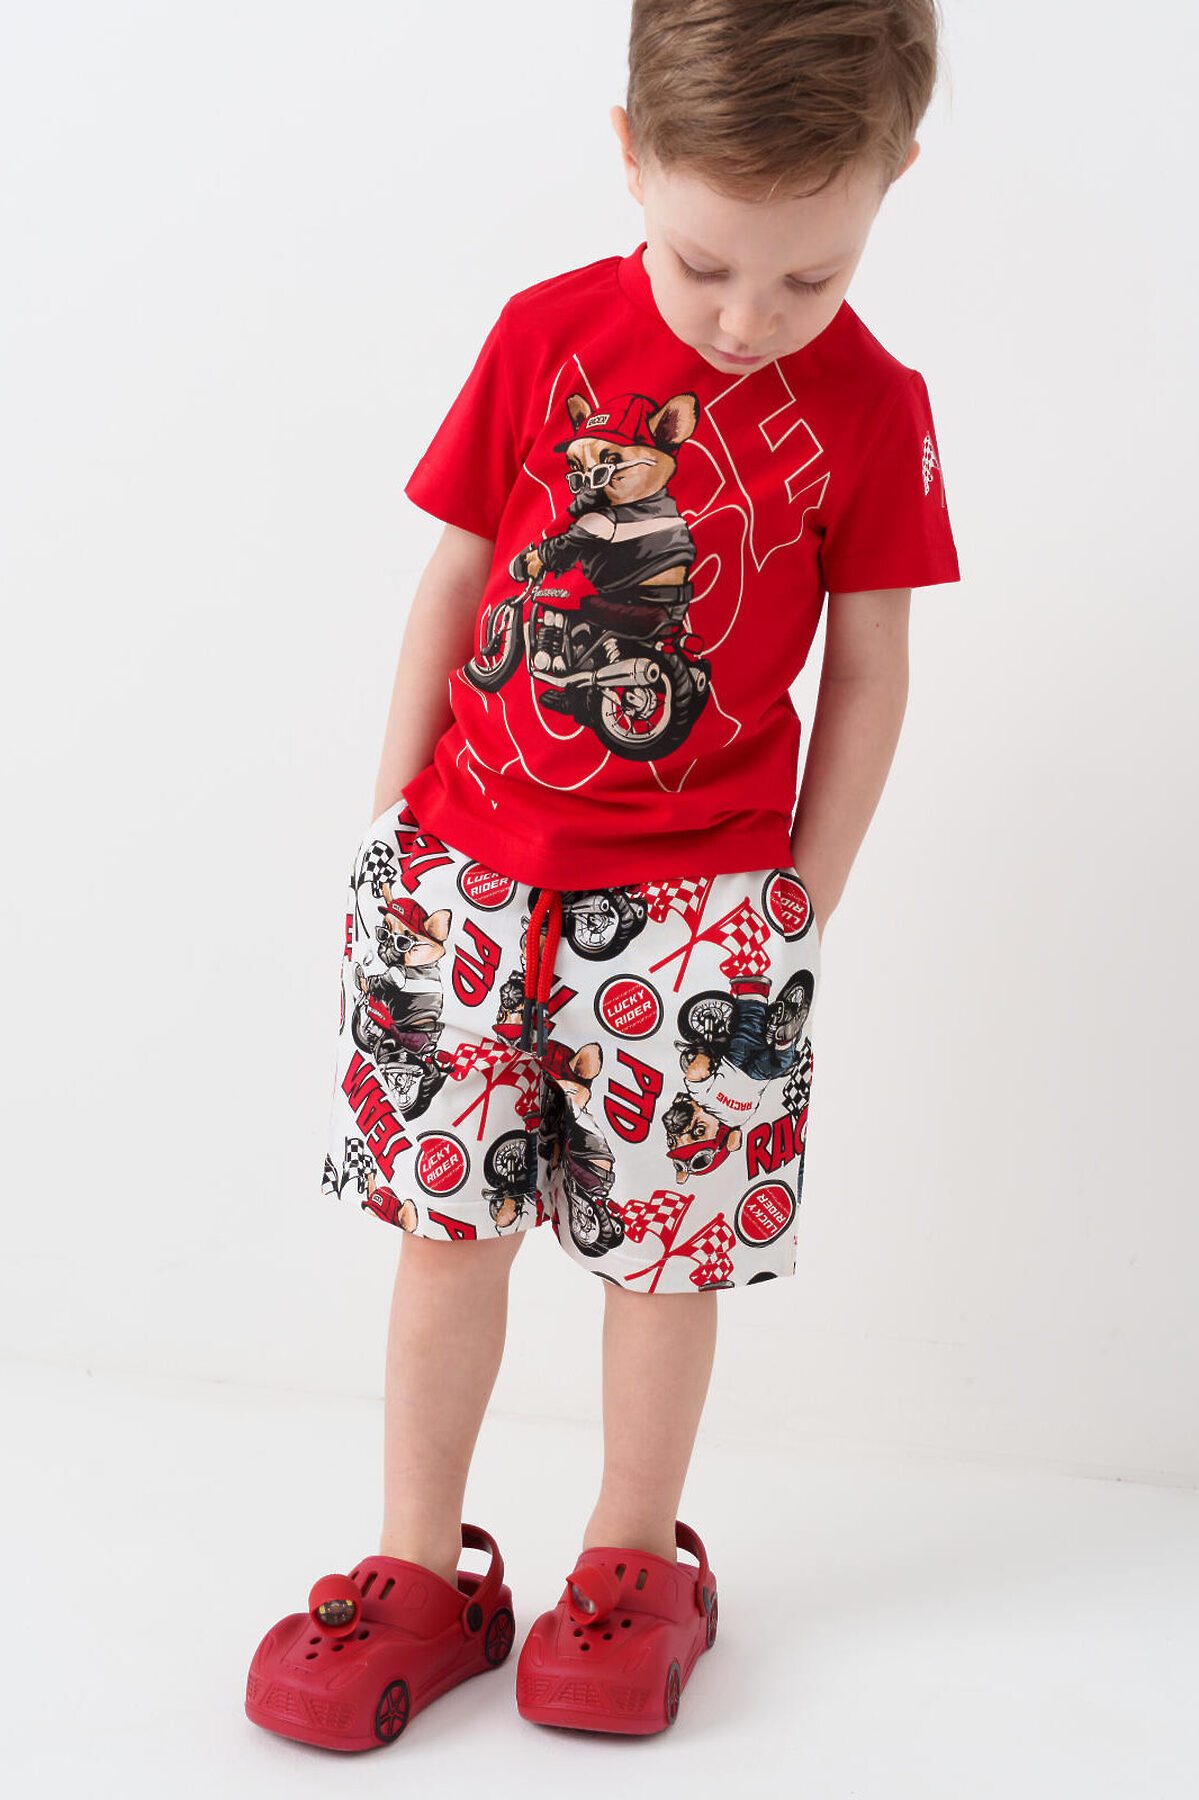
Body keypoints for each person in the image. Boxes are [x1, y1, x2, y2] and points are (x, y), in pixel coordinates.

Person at [246, 0, 961, 1748]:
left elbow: (870, 671)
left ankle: (633, 1564)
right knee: (445, 1234)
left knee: (667, 1258)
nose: (747, 320)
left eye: (810, 277)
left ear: (892, 184)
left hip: (701, 914)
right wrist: (396, 815)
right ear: (632, 155)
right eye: (708, 265)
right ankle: (420, 1565)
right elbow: (457, 572)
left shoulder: (874, 408)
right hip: (466, 880)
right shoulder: (544, 334)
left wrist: (799, 899)